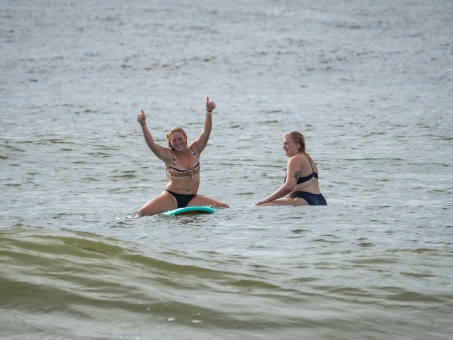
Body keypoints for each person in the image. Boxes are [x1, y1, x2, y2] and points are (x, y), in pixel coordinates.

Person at [135, 97, 229, 216]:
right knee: (142, 213)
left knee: (225, 207)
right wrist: (143, 124)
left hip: (192, 199)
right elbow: (151, 144)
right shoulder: (168, 156)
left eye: (180, 138)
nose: (178, 142)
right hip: (171, 197)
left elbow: (206, 132)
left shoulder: (195, 149)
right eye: (174, 140)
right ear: (170, 144)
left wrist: (209, 112)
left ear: (185, 138)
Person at [255, 131, 327, 206]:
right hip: (321, 201)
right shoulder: (309, 159)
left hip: (304, 200)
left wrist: (267, 199)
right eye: (283, 143)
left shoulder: (295, 159)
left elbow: (288, 187)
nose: (283, 146)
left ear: (297, 144)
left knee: (258, 206)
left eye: (286, 143)